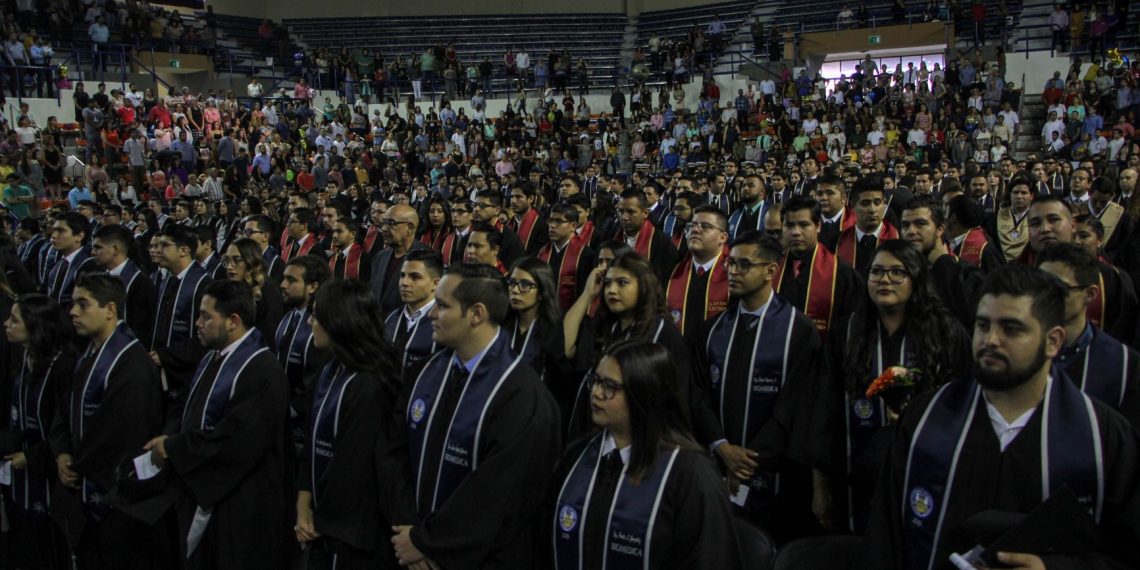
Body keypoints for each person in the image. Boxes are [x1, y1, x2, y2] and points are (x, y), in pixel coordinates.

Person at [858, 264, 1140, 569]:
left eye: (1011, 328)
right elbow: (885, 540)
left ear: (1053, 341)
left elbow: (1126, 554)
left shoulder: (1103, 438)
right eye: (982, 325)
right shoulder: (924, 419)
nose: (990, 339)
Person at [381, 263, 561, 568]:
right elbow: (392, 451)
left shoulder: (522, 396)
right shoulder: (425, 372)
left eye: (442, 306)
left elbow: (498, 496)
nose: (433, 315)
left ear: (476, 314)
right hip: (407, 546)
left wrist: (429, 543)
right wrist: (407, 530)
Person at [810, 240, 973, 538]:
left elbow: (965, 405)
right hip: (854, 475)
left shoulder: (946, 331)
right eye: (876, 272)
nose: (885, 280)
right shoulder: (845, 332)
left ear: (916, 278)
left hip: (927, 472)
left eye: (897, 272)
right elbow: (822, 409)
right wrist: (820, 486)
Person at [548, 340, 743, 569]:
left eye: (610, 386)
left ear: (644, 393)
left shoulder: (690, 475)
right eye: (596, 381)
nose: (596, 392)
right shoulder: (577, 457)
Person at [144, 279, 290, 569]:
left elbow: (236, 441)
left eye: (206, 316)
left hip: (239, 505)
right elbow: (187, 406)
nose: (198, 323)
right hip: (204, 490)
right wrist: (169, 434)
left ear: (233, 321)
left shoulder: (262, 370)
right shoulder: (213, 357)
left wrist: (174, 447)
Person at [688, 231, 823, 543]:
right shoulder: (713, 329)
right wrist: (721, 446)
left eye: (744, 265)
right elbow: (697, 394)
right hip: (717, 462)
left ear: (770, 271)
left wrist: (745, 460)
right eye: (731, 264)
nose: (733, 272)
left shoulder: (799, 332)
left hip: (774, 474)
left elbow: (795, 407)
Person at [50, 274, 166, 568]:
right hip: (84, 477)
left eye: (83, 304)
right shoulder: (89, 352)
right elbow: (67, 407)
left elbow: (119, 433)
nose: (73, 312)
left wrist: (76, 463)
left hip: (116, 496)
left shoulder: (132, 363)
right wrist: (62, 450)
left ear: (110, 310)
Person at [295, 280, 402, 568]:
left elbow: (353, 470)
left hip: (353, 535)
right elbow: (311, 441)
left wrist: (318, 518)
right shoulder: (330, 370)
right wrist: (303, 505)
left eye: (317, 315)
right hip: (321, 520)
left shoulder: (371, 385)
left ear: (339, 321)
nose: (309, 322)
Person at [561, 252, 692, 439]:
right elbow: (565, 348)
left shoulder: (664, 335)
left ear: (643, 286)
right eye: (607, 283)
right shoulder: (605, 327)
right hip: (596, 434)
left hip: (643, 440)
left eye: (622, 283)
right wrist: (587, 294)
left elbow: (676, 404)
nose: (611, 290)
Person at [3, 294, 74, 570]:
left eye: (14, 320)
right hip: (22, 476)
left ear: (35, 326)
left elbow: (66, 428)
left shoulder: (63, 367)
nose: (6, 324)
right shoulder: (24, 358)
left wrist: (31, 457)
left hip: (51, 479)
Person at [1037, 242, 1139, 426]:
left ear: (1090, 294)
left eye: (1059, 288)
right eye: (1040, 286)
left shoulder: (1124, 364)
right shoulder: (1020, 349)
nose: (1045, 296)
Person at [1021, 195, 1138, 345]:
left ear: (1073, 225)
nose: (1045, 229)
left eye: (1053, 220)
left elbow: (1125, 336)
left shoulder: (1111, 278)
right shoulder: (1013, 275)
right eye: (1035, 223)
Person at [774, 196, 865, 336]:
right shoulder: (771, 268)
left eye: (804, 225)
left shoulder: (842, 273)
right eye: (789, 225)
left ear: (818, 226)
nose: (796, 232)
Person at [148, 223, 212, 399]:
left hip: (187, 377)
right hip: (161, 372)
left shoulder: (204, 285)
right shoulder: (166, 280)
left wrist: (167, 356)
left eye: (164, 245)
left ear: (184, 250)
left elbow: (206, 338)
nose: (157, 250)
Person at [276, 255, 332, 447]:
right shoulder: (287, 317)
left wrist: (291, 409)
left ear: (313, 287)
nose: (283, 285)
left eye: (291, 280)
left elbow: (317, 380)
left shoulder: (322, 326)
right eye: (284, 278)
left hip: (303, 426)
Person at [665, 205, 730, 337]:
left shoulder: (734, 275)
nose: (695, 229)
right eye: (692, 225)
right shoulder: (671, 272)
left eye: (705, 226)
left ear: (722, 238)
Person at [92, 224, 156, 345]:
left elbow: (142, 330)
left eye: (98, 247)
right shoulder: (98, 276)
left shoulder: (140, 282)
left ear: (115, 249)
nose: (93, 252)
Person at [505, 257, 565, 384]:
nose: (515, 290)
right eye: (512, 282)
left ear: (542, 292)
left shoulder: (553, 330)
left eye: (525, 285)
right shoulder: (501, 324)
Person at [384, 249, 441, 382]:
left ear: (435, 283)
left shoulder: (444, 323)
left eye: (415, 277)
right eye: (402, 275)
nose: (405, 283)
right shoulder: (391, 319)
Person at [834, 177, 900, 278]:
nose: (872, 209)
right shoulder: (837, 241)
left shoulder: (898, 239)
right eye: (865, 203)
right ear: (852, 207)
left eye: (877, 202)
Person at [369, 204, 429, 315]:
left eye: (391, 223)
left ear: (410, 228)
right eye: (384, 223)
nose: (384, 229)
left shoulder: (426, 258)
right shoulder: (380, 257)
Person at [537, 203, 596, 312]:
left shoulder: (585, 255)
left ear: (573, 226)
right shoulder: (543, 252)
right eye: (551, 220)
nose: (552, 226)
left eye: (558, 221)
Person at [224, 238, 285, 339]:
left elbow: (269, 334)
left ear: (251, 261)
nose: (229, 267)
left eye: (237, 260)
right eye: (227, 260)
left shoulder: (268, 291)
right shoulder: (230, 289)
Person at [612, 189, 679, 280]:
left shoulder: (662, 243)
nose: (624, 217)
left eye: (630, 212)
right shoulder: (611, 236)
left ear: (645, 213)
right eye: (621, 211)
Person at [45, 211, 98, 307]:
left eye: (61, 231)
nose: (54, 236)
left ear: (79, 236)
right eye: (54, 230)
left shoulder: (89, 265)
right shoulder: (60, 263)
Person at [329, 216, 373, 282]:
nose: (334, 235)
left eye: (339, 231)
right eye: (333, 231)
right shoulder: (331, 257)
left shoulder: (364, 258)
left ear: (352, 234)